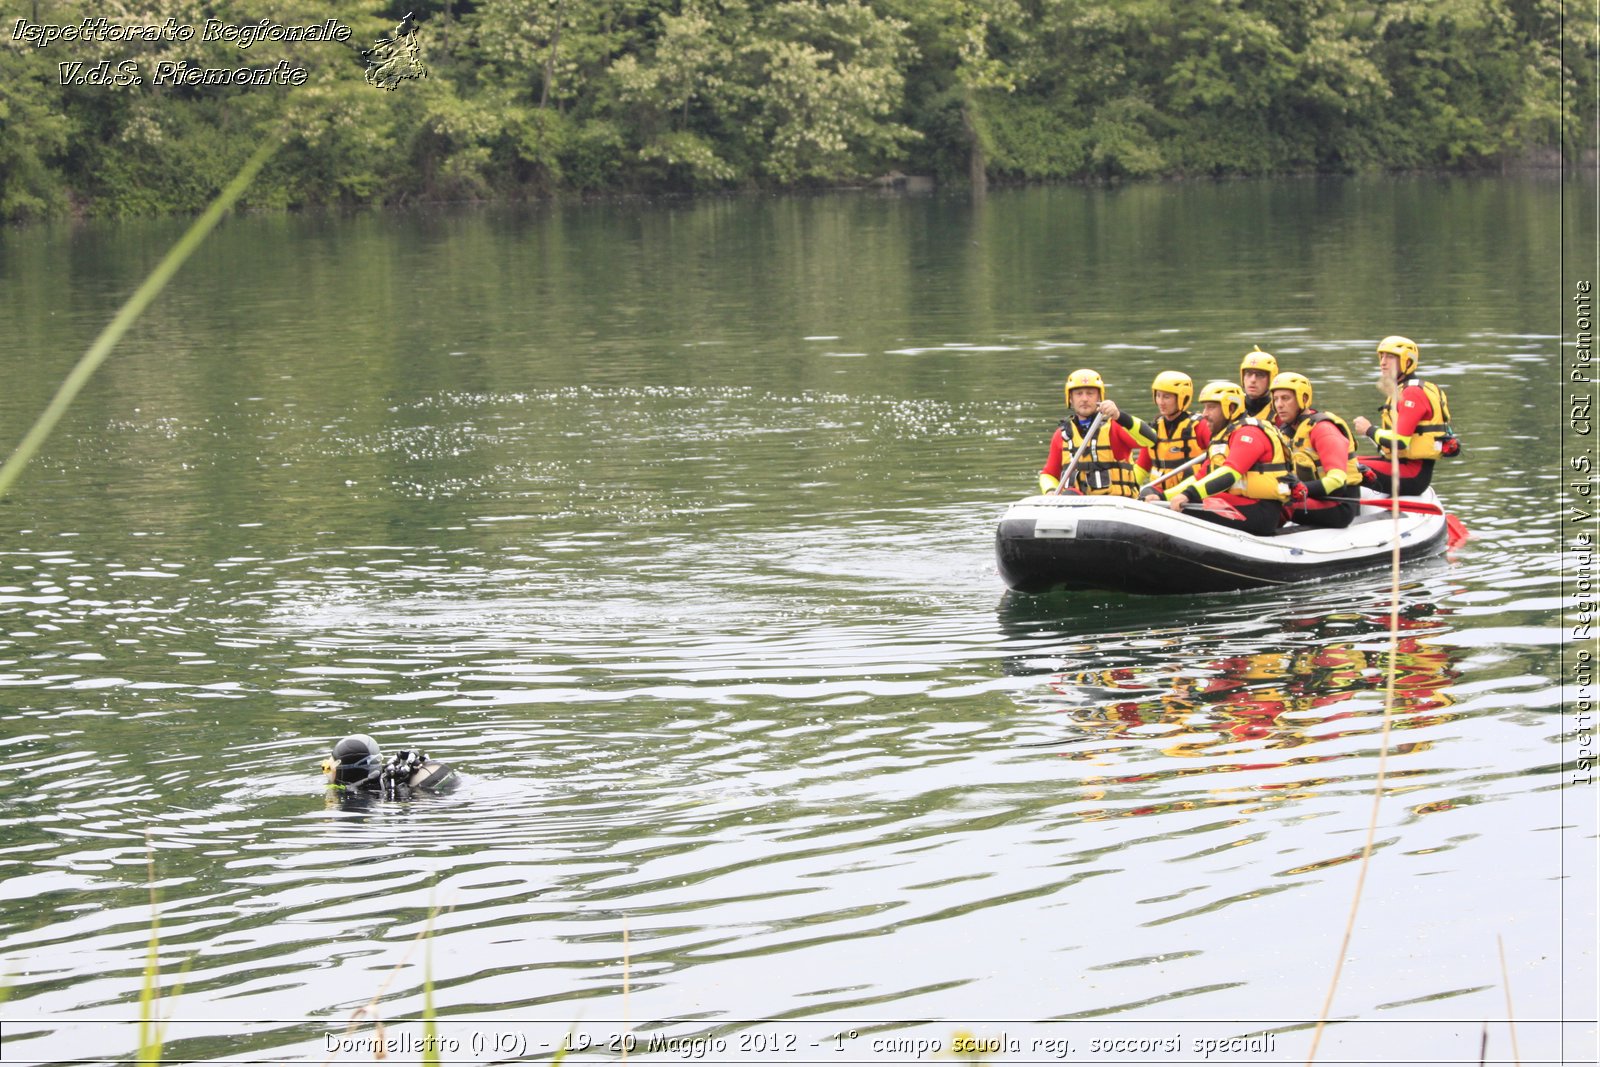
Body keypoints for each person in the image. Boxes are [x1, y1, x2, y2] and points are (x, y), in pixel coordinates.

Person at [1140, 380, 1296, 535]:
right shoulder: (1222, 437)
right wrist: (1162, 496)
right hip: (1241, 503)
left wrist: (1189, 495)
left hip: (1261, 510)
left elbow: (1230, 473)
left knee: (1188, 506)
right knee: (1171, 504)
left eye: (1212, 407)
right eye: (1204, 407)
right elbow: (1200, 477)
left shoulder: (1249, 433)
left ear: (1231, 408)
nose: (1205, 414)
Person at [1351, 335, 1459, 496]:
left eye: (1391, 357)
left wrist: (1369, 430)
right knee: (1342, 461)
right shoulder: (1405, 390)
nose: (1383, 362)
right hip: (1400, 465)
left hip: (1411, 475)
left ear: (1407, 362)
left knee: (1343, 468)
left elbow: (1400, 441)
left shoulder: (1412, 393)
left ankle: (1339, 514)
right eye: (1382, 356)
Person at [1037, 368, 1152, 497]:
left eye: (1090, 393)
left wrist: (1120, 416)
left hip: (1116, 506)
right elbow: (1048, 474)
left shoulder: (1115, 427)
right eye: (1079, 394)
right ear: (1070, 399)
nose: (1085, 398)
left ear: (1099, 397)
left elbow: (1150, 440)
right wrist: (1050, 490)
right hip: (1076, 504)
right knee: (1069, 494)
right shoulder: (1062, 435)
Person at [1269, 371, 1360, 528]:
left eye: (1286, 398)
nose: (1279, 405)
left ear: (1303, 399)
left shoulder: (1324, 430)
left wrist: (1299, 489)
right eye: (1276, 399)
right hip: (1311, 497)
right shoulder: (1285, 431)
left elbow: (1338, 481)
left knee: (1278, 505)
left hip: (1339, 504)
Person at [1134, 370, 1212, 494]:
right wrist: (1127, 489)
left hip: (1190, 495)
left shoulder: (1200, 426)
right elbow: (1141, 467)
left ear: (1182, 398)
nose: (1161, 402)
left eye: (1166, 397)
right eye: (1158, 395)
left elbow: (1216, 461)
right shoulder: (1155, 428)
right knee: (1145, 492)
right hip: (1158, 496)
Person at [324, 734, 458, 796]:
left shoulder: (358, 796)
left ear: (347, 772)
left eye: (327, 768)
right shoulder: (384, 780)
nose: (325, 772)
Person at [1239, 346, 1278, 423]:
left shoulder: (1281, 412)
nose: (1253, 380)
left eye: (1260, 375)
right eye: (1248, 373)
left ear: (1271, 378)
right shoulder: (1231, 408)